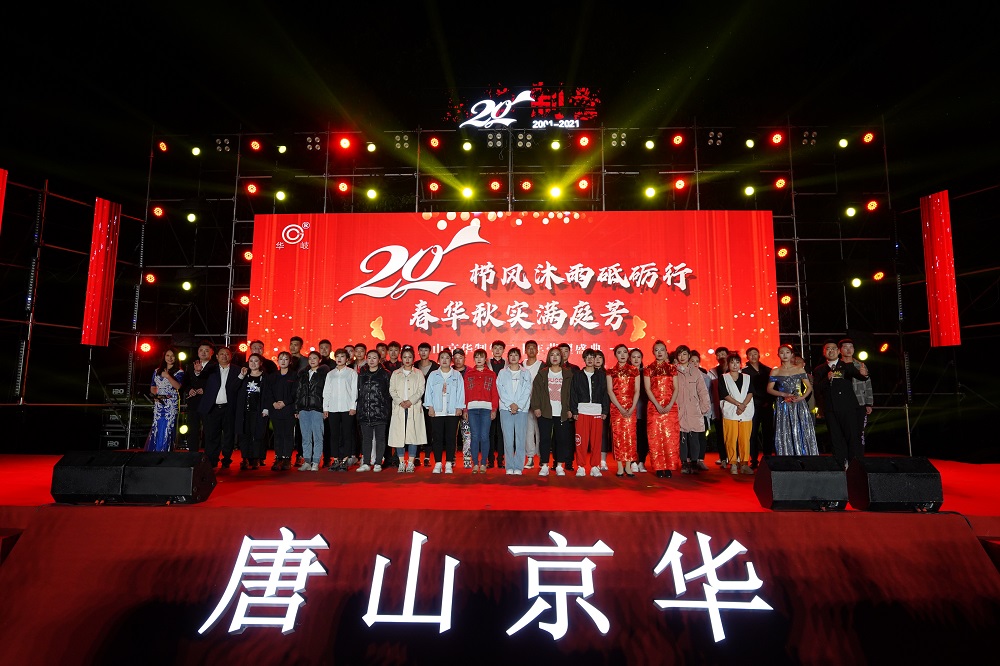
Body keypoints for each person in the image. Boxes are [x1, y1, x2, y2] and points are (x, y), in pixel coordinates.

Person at [812, 338, 871, 469]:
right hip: (830, 409)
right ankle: (840, 463)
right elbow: (817, 388)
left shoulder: (846, 365)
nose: (831, 351)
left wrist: (864, 374)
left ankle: (854, 464)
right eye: (828, 349)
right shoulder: (820, 369)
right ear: (824, 352)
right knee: (835, 437)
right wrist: (827, 379)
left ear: (838, 351)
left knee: (852, 436)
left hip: (847, 407)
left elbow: (859, 376)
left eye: (833, 348)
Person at [530, 347, 574, 476]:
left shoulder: (568, 374)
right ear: (548, 357)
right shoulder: (542, 374)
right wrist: (536, 407)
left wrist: (571, 409)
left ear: (561, 357)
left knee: (561, 439)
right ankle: (544, 465)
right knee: (544, 439)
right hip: (545, 412)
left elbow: (572, 393)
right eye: (552, 355)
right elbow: (536, 392)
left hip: (562, 412)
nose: (555, 357)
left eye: (557, 355)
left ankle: (559, 465)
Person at [768, 344, 819, 456]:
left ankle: (804, 455)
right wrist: (784, 394)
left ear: (792, 355)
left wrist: (802, 397)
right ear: (778, 355)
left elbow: (809, 387)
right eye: (782, 352)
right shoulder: (775, 371)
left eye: (787, 352)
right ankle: (786, 456)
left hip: (798, 403)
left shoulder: (799, 369)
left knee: (800, 429)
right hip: (783, 405)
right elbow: (769, 389)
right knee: (784, 430)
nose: (784, 355)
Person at [199, 346, 244, 468]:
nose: (224, 356)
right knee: (212, 435)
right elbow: (200, 380)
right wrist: (198, 372)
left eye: (227, 354)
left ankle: (226, 459)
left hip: (229, 407)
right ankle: (212, 460)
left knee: (229, 435)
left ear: (231, 356)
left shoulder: (237, 370)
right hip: (212, 408)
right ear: (217, 356)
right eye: (222, 354)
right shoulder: (210, 369)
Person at [569, 349, 610, 477]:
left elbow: (605, 393)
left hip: (597, 411)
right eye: (588, 357)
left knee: (596, 441)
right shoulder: (577, 375)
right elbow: (573, 393)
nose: (590, 359)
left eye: (593, 357)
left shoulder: (601, 376)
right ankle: (581, 466)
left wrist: (605, 410)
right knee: (581, 441)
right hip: (582, 411)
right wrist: (574, 410)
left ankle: (595, 466)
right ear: (584, 359)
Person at [424, 349, 466, 474]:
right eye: (442, 357)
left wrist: (459, 407)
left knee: (450, 438)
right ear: (438, 360)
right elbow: (428, 392)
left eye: (447, 358)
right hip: (437, 411)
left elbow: (461, 392)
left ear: (451, 360)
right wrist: (430, 407)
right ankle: (438, 463)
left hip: (452, 411)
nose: (444, 360)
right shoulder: (433, 375)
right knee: (437, 437)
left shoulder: (457, 375)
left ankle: (448, 463)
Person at [644, 341, 680, 478]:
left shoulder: (672, 369)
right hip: (654, 407)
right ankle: (659, 467)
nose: (659, 352)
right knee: (656, 437)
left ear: (666, 351)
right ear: (653, 352)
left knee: (670, 437)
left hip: (671, 407)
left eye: (662, 350)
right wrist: (657, 405)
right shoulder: (648, 369)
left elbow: (676, 388)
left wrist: (670, 404)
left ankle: (669, 466)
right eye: (656, 350)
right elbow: (648, 389)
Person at [388, 347, 427, 473]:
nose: (407, 359)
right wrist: (400, 401)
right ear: (401, 359)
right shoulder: (396, 373)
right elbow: (392, 390)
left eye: (410, 357)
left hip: (413, 407)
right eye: (405, 357)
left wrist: (411, 401)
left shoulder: (418, 373)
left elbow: (421, 390)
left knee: (413, 435)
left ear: (413, 359)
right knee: (399, 436)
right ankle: (401, 462)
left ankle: (410, 463)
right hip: (399, 408)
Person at [675, 345, 712, 474]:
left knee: (694, 437)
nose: (682, 357)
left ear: (689, 356)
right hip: (679, 409)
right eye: (680, 354)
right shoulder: (673, 371)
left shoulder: (696, 372)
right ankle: (684, 463)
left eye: (684, 354)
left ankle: (695, 462)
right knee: (682, 438)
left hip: (694, 409)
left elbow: (702, 391)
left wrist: (704, 407)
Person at [497, 347, 532, 475]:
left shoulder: (526, 373)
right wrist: (510, 404)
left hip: (521, 409)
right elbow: (500, 389)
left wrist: (518, 405)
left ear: (519, 358)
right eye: (511, 355)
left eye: (516, 355)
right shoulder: (502, 372)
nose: (513, 357)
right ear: (508, 358)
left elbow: (527, 390)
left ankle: (518, 466)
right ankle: (509, 466)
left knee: (520, 439)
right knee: (508, 439)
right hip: (506, 408)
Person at [719, 353, 755, 475]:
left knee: (745, 438)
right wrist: (738, 404)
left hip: (746, 410)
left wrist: (743, 405)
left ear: (740, 364)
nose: (735, 365)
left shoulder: (747, 377)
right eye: (732, 362)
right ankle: (733, 462)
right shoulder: (724, 377)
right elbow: (724, 394)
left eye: (737, 362)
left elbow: (750, 392)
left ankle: (744, 463)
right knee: (730, 437)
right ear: (728, 364)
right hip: (731, 410)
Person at [464, 349, 499, 474]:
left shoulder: (491, 374)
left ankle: (483, 462)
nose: (479, 359)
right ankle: (475, 463)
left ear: (485, 359)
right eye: (477, 357)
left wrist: (494, 409)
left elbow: (494, 393)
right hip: (472, 409)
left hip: (486, 409)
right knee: (474, 436)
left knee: (484, 436)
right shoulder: (469, 374)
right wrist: (465, 409)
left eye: (481, 357)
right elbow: (465, 392)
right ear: (474, 359)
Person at [355, 350, 391, 472]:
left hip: (380, 411)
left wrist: (385, 408)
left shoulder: (385, 374)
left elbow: (389, 393)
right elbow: (359, 392)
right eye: (369, 357)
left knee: (380, 438)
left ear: (379, 359)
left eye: (374, 358)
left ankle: (378, 463)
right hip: (365, 411)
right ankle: (366, 463)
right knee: (366, 439)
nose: (371, 360)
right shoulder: (362, 374)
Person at [607, 344, 639, 477]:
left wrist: (632, 407)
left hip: (631, 407)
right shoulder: (610, 371)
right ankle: (620, 465)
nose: (622, 355)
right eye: (619, 352)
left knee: (630, 436)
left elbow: (637, 391)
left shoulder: (634, 371)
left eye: (625, 352)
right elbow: (610, 391)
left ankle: (628, 465)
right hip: (616, 408)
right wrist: (620, 407)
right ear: (615, 355)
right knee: (618, 436)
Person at [323, 348, 358, 471]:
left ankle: (345, 460)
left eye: (342, 356)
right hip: (333, 408)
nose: (339, 358)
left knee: (347, 434)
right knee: (334, 435)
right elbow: (326, 391)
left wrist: (353, 406)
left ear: (347, 359)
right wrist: (325, 407)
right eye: (337, 356)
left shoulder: (352, 373)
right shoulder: (330, 374)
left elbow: (354, 391)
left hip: (347, 407)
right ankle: (336, 459)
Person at [263, 351, 298, 470]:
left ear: (290, 361)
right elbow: (268, 392)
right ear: (277, 361)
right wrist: (273, 403)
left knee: (288, 435)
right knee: (278, 434)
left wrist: (284, 402)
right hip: (275, 410)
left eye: (286, 359)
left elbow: (295, 392)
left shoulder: (294, 376)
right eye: (281, 359)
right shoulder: (272, 376)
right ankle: (278, 458)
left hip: (288, 409)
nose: (283, 361)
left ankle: (287, 458)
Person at [145, 348, 184, 452]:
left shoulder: (179, 372)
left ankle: (165, 451)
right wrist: (155, 396)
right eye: (167, 355)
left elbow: (178, 386)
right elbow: (153, 387)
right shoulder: (157, 371)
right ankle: (155, 451)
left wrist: (167, 376)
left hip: (170, 403)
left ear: (176, 358)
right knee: (157, 426)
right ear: (164, 357)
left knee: (168, 427)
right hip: (159, 403)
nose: (170, 358)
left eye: (172, 356)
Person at [294, 351, 328, 471]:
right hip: (303, 409)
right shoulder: (303, 374)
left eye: (315, 358)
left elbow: (326, 392)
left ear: (320, 360)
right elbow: (298, 392)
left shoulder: (323, 374)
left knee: (318, 436)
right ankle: (307, 461)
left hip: (317, 408)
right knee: (305, 437)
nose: (312, 360)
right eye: (310, 358)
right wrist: (297, 409)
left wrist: (325, 408)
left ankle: (316, 462)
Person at [180, 341, 215, 452]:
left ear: (212, 352)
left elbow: (216, 384)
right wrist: (189, 390)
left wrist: (205, 390)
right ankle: (192, 454)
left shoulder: (215, 366)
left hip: (208, 404)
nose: (203, 352)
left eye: (206, 350)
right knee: (193, 430)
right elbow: (185, 383)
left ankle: (209, 455)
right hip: (193, 403)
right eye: (201, 350)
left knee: (209, 431)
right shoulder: (191, 366)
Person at [743, 347, 775, 467]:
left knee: (768, 432)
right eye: (750, 354)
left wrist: (769, 401)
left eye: (755, 353)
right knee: (753, 433)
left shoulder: (768, 370)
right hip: (752, 405)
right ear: (747, 357)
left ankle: (768, 457)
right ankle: (754, 460)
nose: (753, 356)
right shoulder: (744, 372)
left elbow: (774, 387)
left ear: (759, 355)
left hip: (767, 405)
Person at [235, 353, 268, 469]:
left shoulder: (265, 377)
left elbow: (268, 394)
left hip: (258, 410)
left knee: (258, 434)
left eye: (256, 361)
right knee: (244, 434)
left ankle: (256, 458)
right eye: (251, 361)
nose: (253, 363)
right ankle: (245, 458)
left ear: (261, 363)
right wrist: (241, 376)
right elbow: (233, 388)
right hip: (244, 410)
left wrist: (266, 408)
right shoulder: (245, 376)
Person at [521, 340, 543, 469]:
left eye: (533, 348)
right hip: (524, 404)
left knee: (540, 431)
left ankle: (542, 458)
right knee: (527, 432)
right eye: (528, 348)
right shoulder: (521, 365)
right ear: (525, 351)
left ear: (537, 350)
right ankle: (530, 458)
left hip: (539, 404)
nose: (531, 350)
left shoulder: (543, 366)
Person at [629, 348, 649, 473]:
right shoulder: (626, 373)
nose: (636, 359)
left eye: (638, 357)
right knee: (631, 437)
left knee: (643, 437)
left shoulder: (646, 373)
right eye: (633, 357)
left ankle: (641, 461)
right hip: (629, 410)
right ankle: (632, 462)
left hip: (643, 410)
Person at [452, 349, 473, 468]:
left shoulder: (471, 372)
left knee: (467, 436)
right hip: (452, 409)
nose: (458, 360)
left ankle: (467, 459)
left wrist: (466, 409)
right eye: (455, 358)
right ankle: (451, 459)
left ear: (464, 358)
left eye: (460, 357)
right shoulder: (449, 371)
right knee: (451, 435)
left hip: (466, 409)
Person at [487, 340, 506, 469]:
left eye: (500, 348)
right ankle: (490, 460)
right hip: (489, 402)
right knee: (489, 433)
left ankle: (500, 460)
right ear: (492, 349)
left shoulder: (508, 364)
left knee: (501, 433)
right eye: (495, 348)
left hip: (504, 402)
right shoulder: (486, 363)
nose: (498, 350)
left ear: (503, 350)